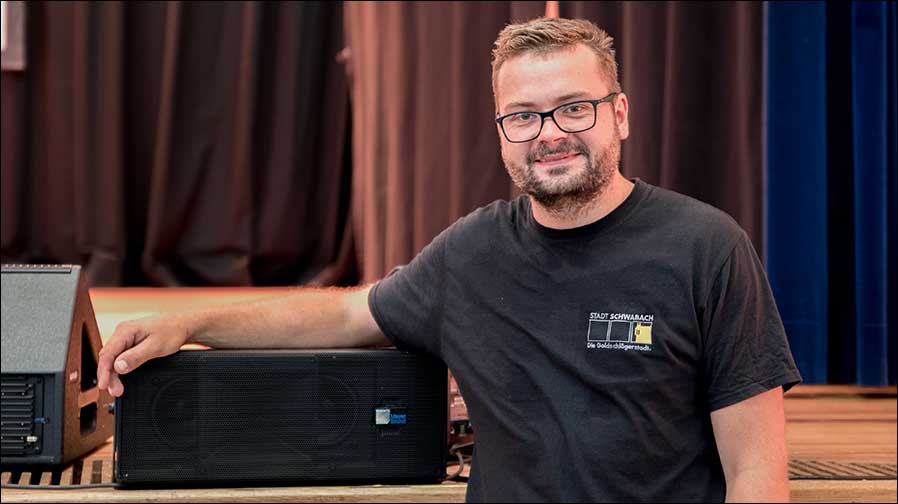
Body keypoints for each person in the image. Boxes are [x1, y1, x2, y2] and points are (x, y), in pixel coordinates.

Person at [98, 17, 801, 503]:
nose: (549, 134)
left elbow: (757, 473)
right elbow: (342, 313)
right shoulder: (473, 252)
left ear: (619, 113)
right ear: (501, 132)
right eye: (523, 115)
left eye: (573, 109)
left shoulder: (706, 247)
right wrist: (189, 320)